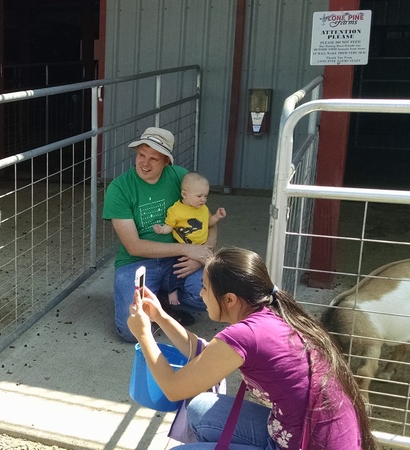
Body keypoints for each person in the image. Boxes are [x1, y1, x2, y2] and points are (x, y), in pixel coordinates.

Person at [126, 247, 377, 449]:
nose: (200, 294)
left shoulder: (246, 335)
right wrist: (160, 316)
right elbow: (205, 353)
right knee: (200, 408)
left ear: (230, 299)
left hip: (308, 443)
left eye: (204, 287)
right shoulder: (270, 314)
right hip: (295, 432)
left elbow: (173, 389)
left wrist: (144, 334)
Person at [102, 126, 215, 342]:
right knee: (131, 332)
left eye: (154, 158)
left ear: (166, 161)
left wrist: (202, 256)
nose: (144, 163)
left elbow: (208, 223)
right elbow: (134, 246)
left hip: (178, 260)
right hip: (136, 262)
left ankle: (160, 299)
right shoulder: (119, 188)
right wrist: (186, 248)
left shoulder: (181, 178)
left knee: (211, 296)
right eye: (141, 155)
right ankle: (155, 302)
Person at [153, 171, 226, 307]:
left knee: (213, 270)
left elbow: (208, 224)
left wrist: (216, 216)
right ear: (184, 194)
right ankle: (172, 291)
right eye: (199, 196)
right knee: (178, 271)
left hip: (202, 247)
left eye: (205, 196)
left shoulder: (203, 208)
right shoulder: (176, 210)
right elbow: (170, 226)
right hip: (183, 249)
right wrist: (162, 229)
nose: (203, 199)